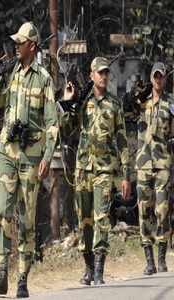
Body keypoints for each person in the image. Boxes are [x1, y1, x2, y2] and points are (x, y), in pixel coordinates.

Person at [0, 21, 58, 298]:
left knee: (25, 218)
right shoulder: (10, 71)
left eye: (20, 42)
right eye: (15, 41)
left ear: (32, 46)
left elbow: (52, 123)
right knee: (2, 212)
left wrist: (48, 156)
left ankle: (22, 277)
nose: (16, 45)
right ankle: (1, 272)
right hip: (7, 153)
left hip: (31, 157)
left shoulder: (44, 79)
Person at [63, 57, 131, 285]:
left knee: (102, 217)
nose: (104, 76)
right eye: (99, 72)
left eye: (106, 73)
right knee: (84, 219)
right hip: (83, 169)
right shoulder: (82, 102)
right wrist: (68, 102)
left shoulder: (114, 104)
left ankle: (100, 268)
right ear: (91, 75)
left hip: (104, 169)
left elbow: (122, 140)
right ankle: (88, 267)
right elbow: (66, 128)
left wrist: (125, 175)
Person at [135, 62, 173, 275]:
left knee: (163, 210)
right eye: (155, 76)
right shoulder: (141, 102)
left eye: (162, 76)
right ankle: (149, 260)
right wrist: (136, 94)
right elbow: (126, 109)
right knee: (144, 210)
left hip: (164, 164)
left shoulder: (171, 103)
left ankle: (161, 257)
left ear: (166, 79)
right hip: (143, 164)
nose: (158, 80)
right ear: (151, 78)